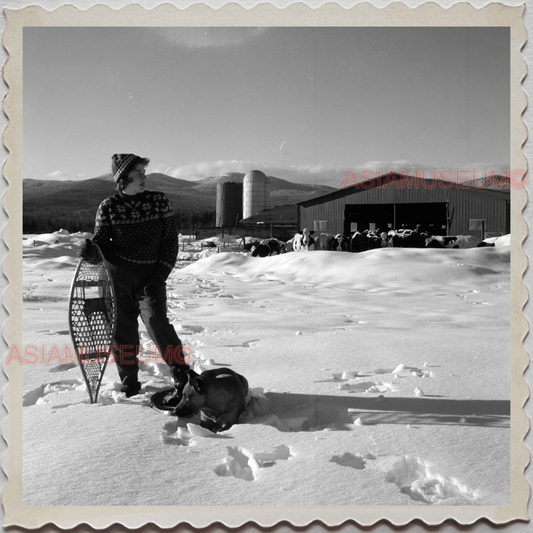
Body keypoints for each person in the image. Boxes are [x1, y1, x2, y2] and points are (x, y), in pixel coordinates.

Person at [80, 154, 189, 398]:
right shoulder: (109, 206)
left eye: (143, 172)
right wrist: (91, 251)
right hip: (118, 278)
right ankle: (129, 384)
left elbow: (170, 240)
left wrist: (160, 274)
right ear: (124, 177)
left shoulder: (158, 201)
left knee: (158, 324)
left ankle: (183, 375)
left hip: (151, 277)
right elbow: (102, 244)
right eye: (139, 173)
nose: (144, 177)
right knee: (123, 332)